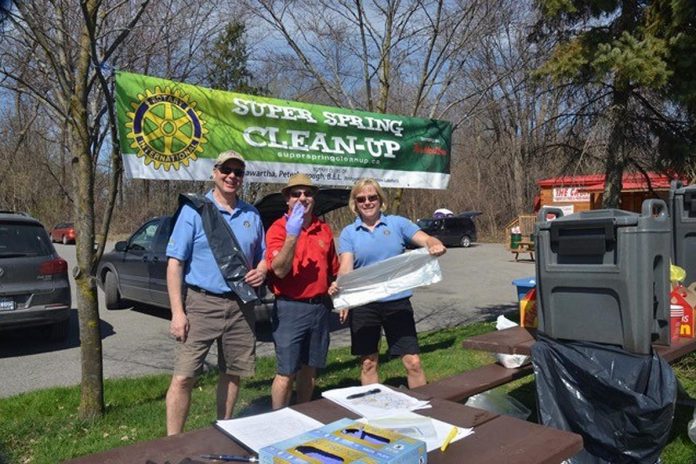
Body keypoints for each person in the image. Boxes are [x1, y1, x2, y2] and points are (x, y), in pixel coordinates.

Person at [165, 150, 267, 435]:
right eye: (226, 170)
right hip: (201, 303)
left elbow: (263, 255)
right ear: (215, 172)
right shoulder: (195, 211)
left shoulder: (252, 214)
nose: (232, 176)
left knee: (232, 373)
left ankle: (224, 430)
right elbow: (175, 264)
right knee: (184, 377)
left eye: (238, 172)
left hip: (240, 306)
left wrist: (262, 269)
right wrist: (177, 312)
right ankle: (173, 444)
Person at [329, 178, 446, 388]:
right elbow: (346, 267)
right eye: (361, 198)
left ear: (380, 199)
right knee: (368, 363)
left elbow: (426, 239)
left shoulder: (398, 223)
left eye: (372, 197)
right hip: (364, 305)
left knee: (413, 362)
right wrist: (341, 293)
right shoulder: (348, 233)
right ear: (355, 203)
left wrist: (434, 244)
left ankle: (427, 411)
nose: (367, 202)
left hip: (397, 303)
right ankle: (372, 414)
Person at [265, 174, 339, 409]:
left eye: (307, 193)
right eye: (296, 194)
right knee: (286, 371)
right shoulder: (278, 229)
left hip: (319, 308)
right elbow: (279, 270)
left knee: (310, 368)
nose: (302, 198)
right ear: (287, 199)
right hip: (290, 308)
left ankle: (303, 412)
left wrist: (338, 290)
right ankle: (276, 418)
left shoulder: (324, 229)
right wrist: (292, 235)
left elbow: (334, 270)